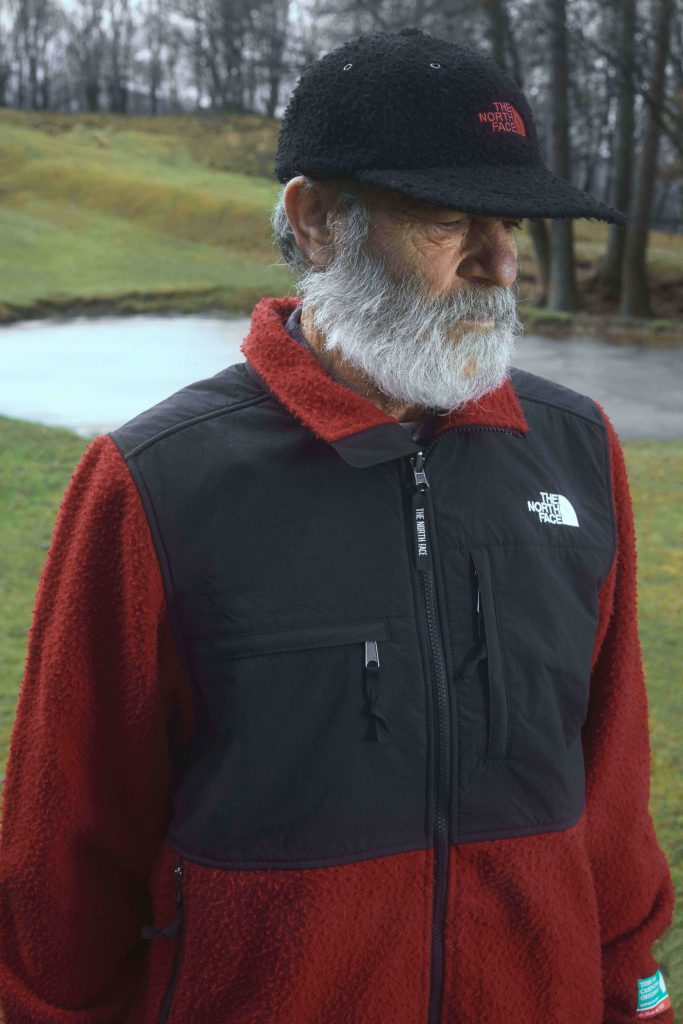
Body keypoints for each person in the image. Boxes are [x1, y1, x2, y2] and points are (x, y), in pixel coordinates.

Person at [0, 27, 675, 1024]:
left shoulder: (573, 448)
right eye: (450, 220)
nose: (501, 264)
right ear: (315, 221)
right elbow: (62, 867)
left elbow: (608, 796)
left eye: (511, 223)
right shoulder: (152, 480)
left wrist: (636, 1001)